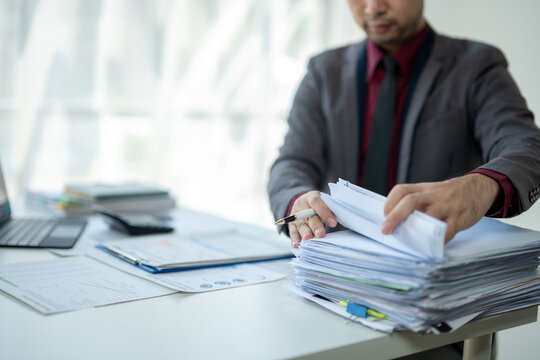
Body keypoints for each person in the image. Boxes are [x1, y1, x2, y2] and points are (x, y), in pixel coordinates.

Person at [267, 0, 540, 249]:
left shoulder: (477, 66)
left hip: (438, 265)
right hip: (338, 266)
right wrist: (297, 199)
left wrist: (478, 187)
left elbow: (526, 147)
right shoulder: (323, 71)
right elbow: (291, 162)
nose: (373, 8)